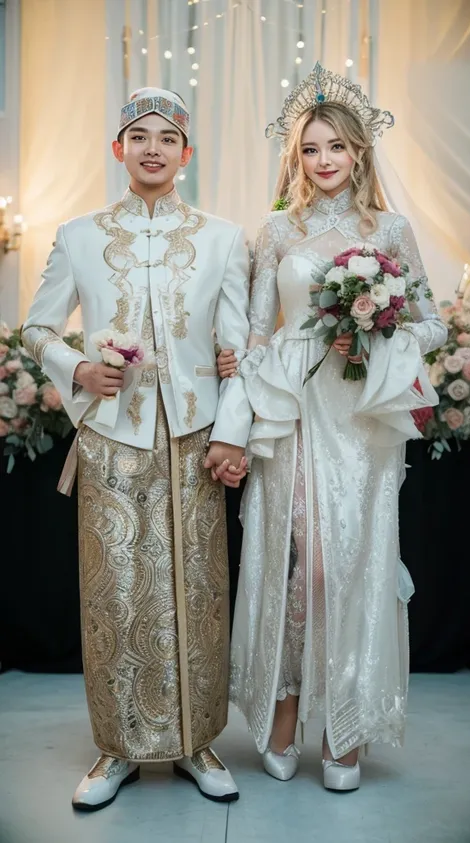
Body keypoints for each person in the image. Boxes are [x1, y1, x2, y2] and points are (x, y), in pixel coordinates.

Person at [217, 63, 447, 791]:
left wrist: (374, 331)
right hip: (292, 412)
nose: (324, 161)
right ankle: (285, 705)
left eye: (336, 148)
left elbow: (431, 321)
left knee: (349, 567)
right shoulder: (277, 229)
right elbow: (258, 330)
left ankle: (343, 722)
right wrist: (238, 360)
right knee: (303, 567)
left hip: (358, 421)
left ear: (359, 154)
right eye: (312, 148)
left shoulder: (393, 229)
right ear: (297, 156)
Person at [22, 87, 251, 811]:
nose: (152, 147)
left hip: (193, 438)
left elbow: (237, 349)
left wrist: (230, 432)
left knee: (198, 593)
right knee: (115, 592)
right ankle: (117, 745)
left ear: (186, 153)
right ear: (118, 149)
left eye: (167, 137)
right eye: (138, 135)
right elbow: (36, 329)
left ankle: (196, 740)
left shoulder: (222, 237)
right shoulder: (79, 234)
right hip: (111, 438)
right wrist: (77, 369)